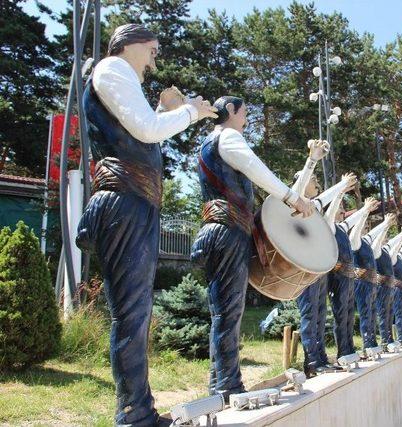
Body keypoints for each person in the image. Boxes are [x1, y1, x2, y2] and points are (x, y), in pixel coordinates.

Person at [76, 24, 217, 426]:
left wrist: (165, 111)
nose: (155, 58)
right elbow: (147, 131)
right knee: (131, 314)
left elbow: (141, 137)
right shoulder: (112, 69)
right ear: (130, 44)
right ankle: (134, 416)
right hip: (124, 202)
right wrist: (188, 112)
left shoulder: (122, 79)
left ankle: (139, 411)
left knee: (136, 312)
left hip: (135, 202)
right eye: (153, 49)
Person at [190, 95, 315, 401]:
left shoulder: (210, 143)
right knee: (228, 311)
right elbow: (256, 169)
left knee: (225, 311)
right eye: (244, 113)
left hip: (222, 230)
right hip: (228, 230)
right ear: (230, 112)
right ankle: (227, 386)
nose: (246, 120)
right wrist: (292, 198)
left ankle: (219, 384)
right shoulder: (228, 137)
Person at [294, 172, 357, 376]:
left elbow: (327, 210)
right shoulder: (294, 203)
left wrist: (340, 190)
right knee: (311, 314)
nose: (317, 183)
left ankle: (320, 358)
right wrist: (340, 185)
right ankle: (311, 361)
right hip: (305, 267)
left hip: (319, 269)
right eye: (313, 180)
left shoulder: (315, 209)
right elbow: (305, 188)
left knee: (320, 314)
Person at [327, 197, 378, 358]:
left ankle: (349, 348)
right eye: (339, 208)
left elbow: (355, 221)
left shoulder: (341, 229)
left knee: (349, 316)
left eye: (343, 208)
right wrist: (340, 192)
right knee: (341, 315)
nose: (343, 211)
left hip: (348, 278)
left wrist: (365, 211)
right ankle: (342, 351)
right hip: (338, 277)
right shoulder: (329, 226)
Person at [353, 210, 394, 350]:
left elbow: (376, 236)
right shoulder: (355, 241)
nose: (366, 228)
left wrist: (386, 225)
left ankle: (372, 341)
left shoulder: (367, 244)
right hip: (362, 283)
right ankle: (367, 344)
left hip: (371, 283)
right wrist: (364, 212)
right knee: (366, 312)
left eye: (366, 227)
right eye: (363, 226)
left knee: (372, 312)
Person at [375, 225, 402, 346]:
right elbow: (395, 248)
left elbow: (398, 249)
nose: (385, 239)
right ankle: (386, 340)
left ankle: (392, 338)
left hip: (392, 288)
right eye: (384, 237)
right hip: (384, 287)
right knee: (384, 313)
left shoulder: (388, 253)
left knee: (392, 314)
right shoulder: (378, 251)